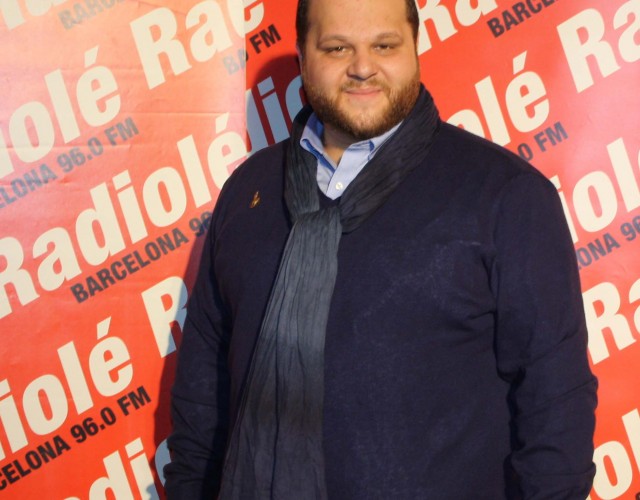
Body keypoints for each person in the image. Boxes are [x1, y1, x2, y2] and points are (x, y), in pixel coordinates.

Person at [164, 0, 597, 497]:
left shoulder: (505, 196)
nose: (363, 67)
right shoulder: (249, 191)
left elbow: (556, 403)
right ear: (302, 55)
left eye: (385, 46)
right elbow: (203, 395)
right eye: (337, 48)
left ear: (415, 48)